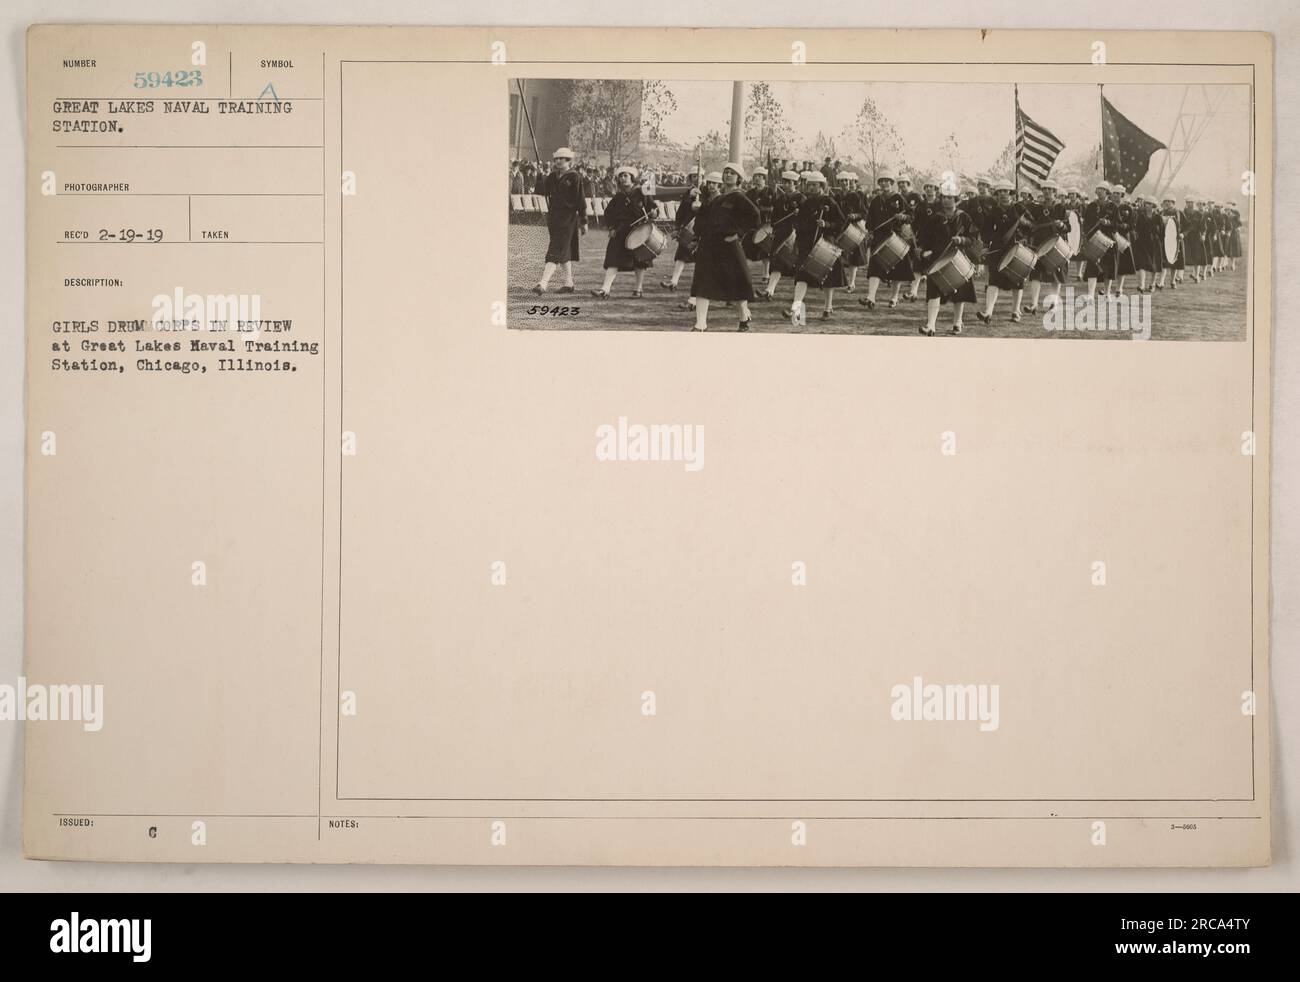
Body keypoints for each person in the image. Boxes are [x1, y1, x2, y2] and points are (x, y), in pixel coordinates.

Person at [690, 164, 761, 332]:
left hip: (728, 246)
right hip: (709, 246)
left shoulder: (739, 197)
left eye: (732, 173)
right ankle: (701, 324)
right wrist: (695, 206)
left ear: (739, 178)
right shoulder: (718, 198)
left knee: (737, 284)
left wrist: (739, 234)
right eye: (726, 172)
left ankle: (744, 317)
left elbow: (755, 216)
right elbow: (704, 219)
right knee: (703, 283)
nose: (728, 175)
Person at [915, 185, 979, 335]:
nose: (946, 200)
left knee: (960, 293)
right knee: (933, 292)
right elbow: (925, 237)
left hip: (959, 258)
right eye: (944, 197)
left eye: (949, 197)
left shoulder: (964, 217)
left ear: (956, 199)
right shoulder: (935, 218)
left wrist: (962, 240)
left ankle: (957, 322)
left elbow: (974, 238)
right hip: (938, 259)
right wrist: (923, 250)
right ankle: (931, 325)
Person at [591, 166, 657, 299]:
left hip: (639, 231)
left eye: (625, 175)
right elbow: (608, 213)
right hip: (620, 232)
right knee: (613, 260)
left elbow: (653, 209)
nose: (622, 178)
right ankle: (605, 290)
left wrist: (654, 213)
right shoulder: (619, 196)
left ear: (632, 177)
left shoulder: (642, 193)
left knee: (640, 261)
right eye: (620, 176)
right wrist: (612, 228)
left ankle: (638, 289)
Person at [790, 171, 848, 320]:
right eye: (808, 185)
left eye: (814, 185)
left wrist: (826, 224)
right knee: (801, 276)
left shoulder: (829, 201)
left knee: (829, 278)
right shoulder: (805, 203)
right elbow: (799, 223)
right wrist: (797, 236)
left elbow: (841, 223)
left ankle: (828, 307)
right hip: (806, 244)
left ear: (821, 186)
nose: (810, 187)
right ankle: (796, 309)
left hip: (826, 243)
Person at [531, 147, 587, 294]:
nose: (558, 161)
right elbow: (542, 191)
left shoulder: (575, 177)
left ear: (568, 160)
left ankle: (543, 283)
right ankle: (569, 283)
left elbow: (580, 200)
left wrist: (584, 220)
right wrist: (539, 177)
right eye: (556, 159)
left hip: (568, 218)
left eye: (561, 158)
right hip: (554, 218)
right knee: (563, 250)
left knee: (555, 249)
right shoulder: (552, 176)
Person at [976, 180, 1030, 324]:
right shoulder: (993, 211)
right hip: (997, 248)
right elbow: (986, 230)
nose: (1003, 194)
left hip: (1016, 248)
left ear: (1011, 193)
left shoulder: (1020, 208)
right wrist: (986, 245)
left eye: (1006, 191)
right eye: (1000, 192)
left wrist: (1025, 225)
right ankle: (988, 312)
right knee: (993, 280)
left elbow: (1032, 226)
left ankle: (1015, 311)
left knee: (1017, 281)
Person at [858, 171, 911, 310]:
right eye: (881, 181)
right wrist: (870, 231)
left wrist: (903, 217)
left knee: (898, 270)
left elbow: (910, 215)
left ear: (891, 183)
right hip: (879, 237)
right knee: (874, 268)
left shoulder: (899, 198)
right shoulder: (876, 200)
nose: (884, 183)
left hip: (895, 237)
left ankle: (894, 297)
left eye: (886, 181)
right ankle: (871, 297)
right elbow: (870, 220)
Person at [1021, 180, 1070, 313]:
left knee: (1056, 276)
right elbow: (1030, 226)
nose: (1047, 192)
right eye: (1045, 189)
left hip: (1056, 245)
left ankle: (1054, 304)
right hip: (1039, 245)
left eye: (1050, 189)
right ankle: (1033, 304)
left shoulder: (1061, 208)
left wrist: (1061, 225)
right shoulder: (1036, 208)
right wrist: (1025, 226)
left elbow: (1068, 228)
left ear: (1054, 192)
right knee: (1036, 275)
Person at [759, 170, 803, 300]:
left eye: (790, 182)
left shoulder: (801, 198)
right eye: (785, 182)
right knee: (776, 263)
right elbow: (775, 217)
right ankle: (769, 290)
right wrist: (774, 226)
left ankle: (798, 297)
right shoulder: (780, 198)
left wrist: (800, 214)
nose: (786, 185)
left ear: (795, 183)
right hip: (781, 234)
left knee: (797, 267)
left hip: (795, 235)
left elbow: (807, 218)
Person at [661, 168, 701, 305]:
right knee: (681, 255)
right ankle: (673, 282)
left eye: (699, 176)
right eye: (694, 176)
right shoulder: (687, 193)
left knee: (704, 260)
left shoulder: (708, 191)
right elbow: (681, 211)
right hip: (689, 228)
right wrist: (677, 227)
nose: (697, 178)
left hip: (702, 229)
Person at [1081, 181, 1117, 301]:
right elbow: (1086, 223)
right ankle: (1090, 295)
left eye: (1102, 189)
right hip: (1094, 239)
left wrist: (1108, 223)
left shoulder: (1113, 207)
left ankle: (1107, 294)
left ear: (1107, 192)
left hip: (1109, 240)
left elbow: (1117, 224)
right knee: (1092, 266)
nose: (1100, 191)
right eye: (1098, 189)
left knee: (1108, 268)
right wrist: (1086, 235)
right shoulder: (1091, 206)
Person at [1154, 195, 1183, 290]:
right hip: (1164, 239)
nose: (1167, 203)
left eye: (1169, 201)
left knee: (1174, 261)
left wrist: (1182, 233)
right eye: (1165, 201)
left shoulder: (1178, 212)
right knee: (1164, 261)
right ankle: (1161, 282)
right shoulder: (1161, 212)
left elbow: (1186, 225)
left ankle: (1173, 281)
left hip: (1175, 239)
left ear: (1173, 203)